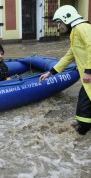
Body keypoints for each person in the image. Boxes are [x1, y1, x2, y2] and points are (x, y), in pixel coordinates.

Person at [39, 5, 91, 135]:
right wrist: (51, 72)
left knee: (84, 108)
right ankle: (81, 133)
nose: (59, 26)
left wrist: (88, 71)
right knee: (84, 104)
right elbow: (69, 55)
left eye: (59, 22)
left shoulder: (82, 28)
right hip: (88, 79)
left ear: (66, 18)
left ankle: (81, 133)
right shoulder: (75, 31)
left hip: (89, 76)